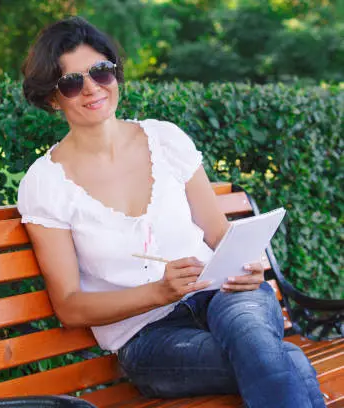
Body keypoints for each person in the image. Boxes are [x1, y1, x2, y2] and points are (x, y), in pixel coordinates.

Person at [17, 16, 325, 408]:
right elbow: (70, 305)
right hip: (148, 337)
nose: (92, 88)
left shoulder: (164, 139)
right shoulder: (45, 183)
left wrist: (249, 263)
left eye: (101, 72)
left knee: (256, 342)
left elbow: (217, 233)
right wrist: (158, 292)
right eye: (72, 82)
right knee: (282, 361)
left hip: (223, 293)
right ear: (51, 97)